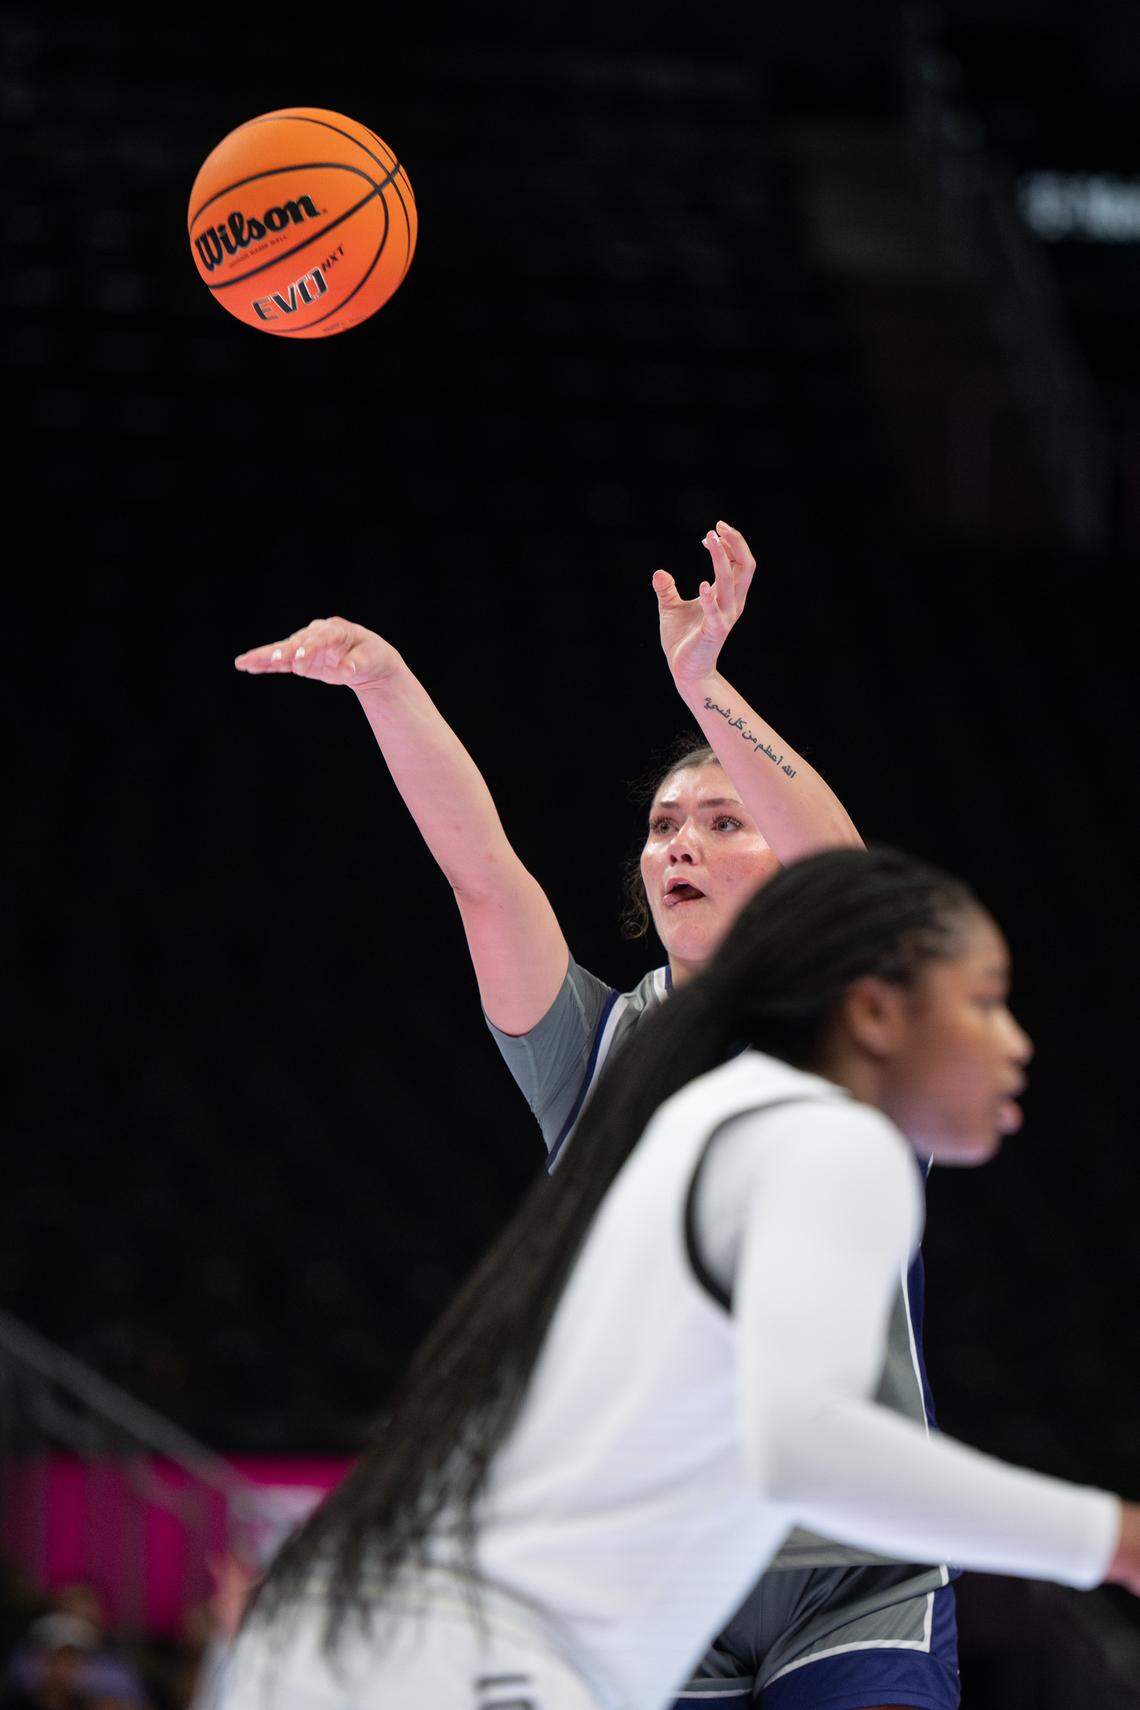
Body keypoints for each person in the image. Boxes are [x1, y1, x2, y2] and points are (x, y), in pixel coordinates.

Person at [231, 523, 938, 1708]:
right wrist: (385, 684)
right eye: (664, 827)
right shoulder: (594, 1046)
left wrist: (708, 693)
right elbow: (484, 874)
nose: (681, 844)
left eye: (722, 820)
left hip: (851, 1574)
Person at [215, 848, 1140, 1710]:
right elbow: (810, 1450)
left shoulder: (702, 1121)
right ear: (872, 1011)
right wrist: (1111, 1539)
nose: (1016, 1042)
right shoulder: (830, 1141)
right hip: (474, 1653)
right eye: (984, 1002)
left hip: (366, 1631)